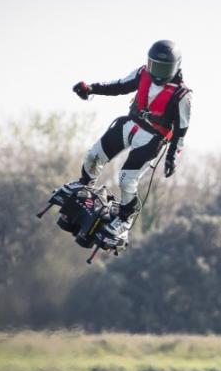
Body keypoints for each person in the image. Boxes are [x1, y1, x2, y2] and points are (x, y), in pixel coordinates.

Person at [71, 39, 192, 237]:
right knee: (94, 155)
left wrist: (172, 156)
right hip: (129, 124)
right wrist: (90, 88)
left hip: (152, 138)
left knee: (126, 179)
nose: (158, 73)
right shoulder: (142, 73)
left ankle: (126, 217)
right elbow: (118, 85)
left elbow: (181, 129)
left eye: (164, 68)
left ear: (176, 67)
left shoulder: (182, 95)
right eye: (155, 66)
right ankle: (85, 184)